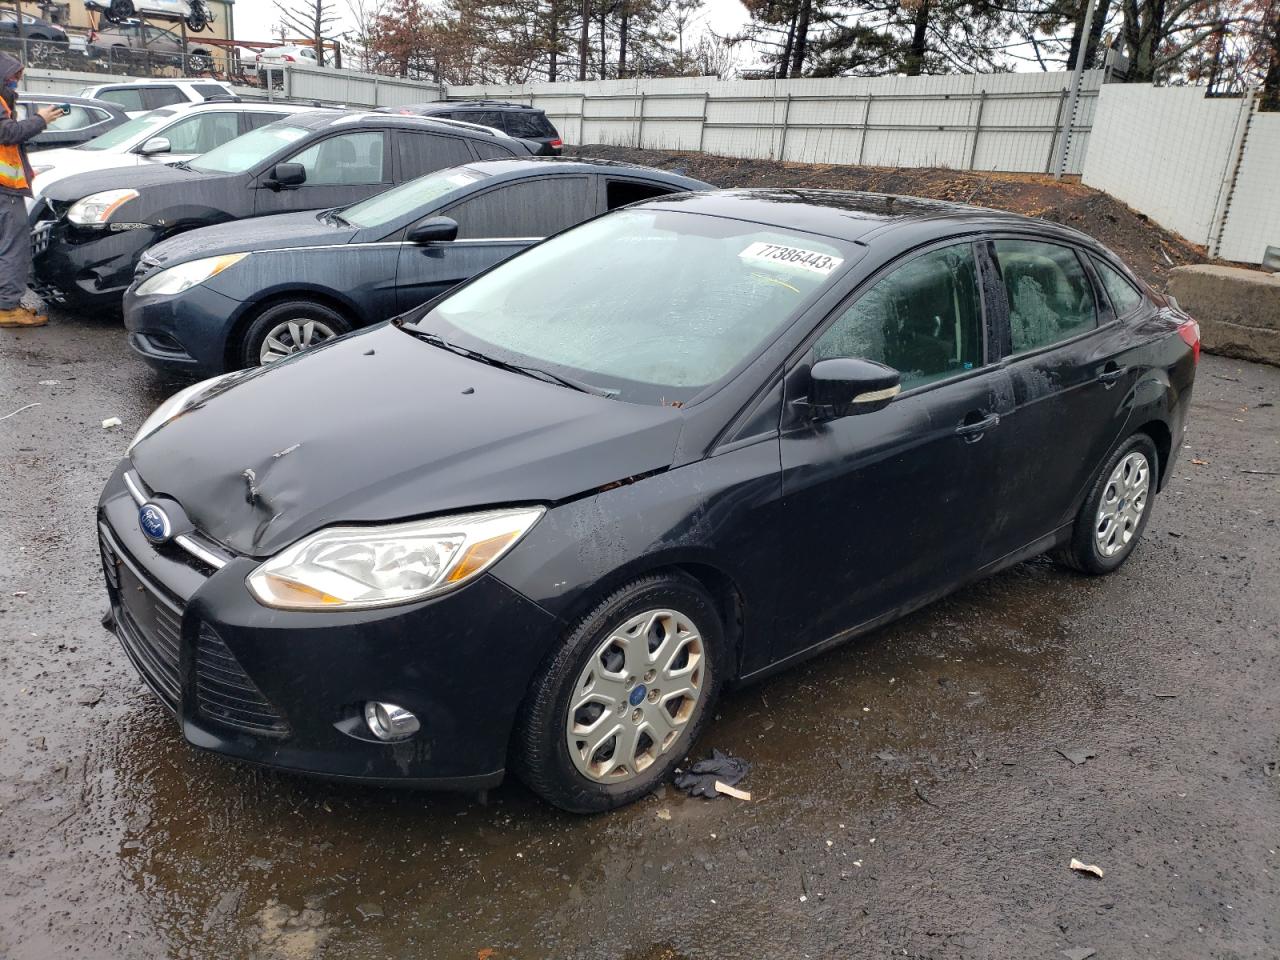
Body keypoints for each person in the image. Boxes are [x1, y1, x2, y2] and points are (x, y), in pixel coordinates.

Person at [1, 53, 64, 329]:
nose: (17, 81)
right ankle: (7, 308)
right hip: (5, 189)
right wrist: (41, 119)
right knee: (14, 249)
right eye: (14, 76)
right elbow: (9, 133)